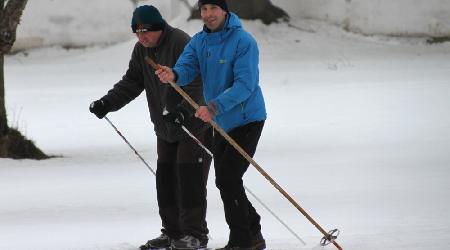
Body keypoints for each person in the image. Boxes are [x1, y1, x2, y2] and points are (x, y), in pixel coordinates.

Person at [89, 5, 212, 250]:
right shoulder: (141, 50)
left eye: (146, 32)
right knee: (165, 180)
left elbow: (198, 82)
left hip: (193, 126)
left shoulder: (180, 42)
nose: (141, 37)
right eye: (137, 32)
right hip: (165, 128)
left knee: (189, 179)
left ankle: (195, 235)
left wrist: (184, 112)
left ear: (159, 28)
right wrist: (107, 103)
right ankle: (172, 233)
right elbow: (132, 82)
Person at [156, 1, 267, 249]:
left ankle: (241, 241)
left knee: (228, 179)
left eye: (213, 8)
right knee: (226, 180)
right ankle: (254, 233)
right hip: (221, 121)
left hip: (247, 118)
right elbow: (186, 66)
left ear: (224, 10)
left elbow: (245, 85)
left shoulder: (243, 41)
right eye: (204, 9)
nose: (208, 15)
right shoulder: (200, 41)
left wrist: (213, 107)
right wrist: (173, 74)